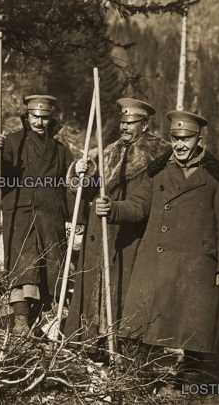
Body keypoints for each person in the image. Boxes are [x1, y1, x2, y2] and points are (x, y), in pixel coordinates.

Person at [95, 110, 219, 375]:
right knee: (146, 326)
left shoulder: (216, 175)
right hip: (157, 262)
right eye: (175, 138)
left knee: (193, 332)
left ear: (199, 139)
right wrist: (113, 208)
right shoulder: (158, 170)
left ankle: (191, 384)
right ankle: (141, 379)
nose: (180, 145)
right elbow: (139, 206)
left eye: (186, 139)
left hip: (197, 267)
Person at [63, 98, 170, 344]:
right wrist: (81, 174)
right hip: (99, 234)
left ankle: (117, 345)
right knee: (91, 287)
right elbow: (89, 189)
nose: (124, 127)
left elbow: (143, 203)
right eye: (122, 121)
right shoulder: (108, 151)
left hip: (128, 236)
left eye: (130, 122)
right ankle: (87, 340)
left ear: (144, 125)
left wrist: (114, 209)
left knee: (122, 291)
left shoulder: (156, 155)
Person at [0, 95, 73, 334]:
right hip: (21, 213)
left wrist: (76, 216)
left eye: (44, 118)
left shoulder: (60, 151)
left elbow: (71, 186)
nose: (39, 122)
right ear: (27, 116)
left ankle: (42, 319)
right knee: (24, 266)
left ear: (51, 119)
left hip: (51, 217)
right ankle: (20, 320)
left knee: (51, 267)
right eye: (35, 116)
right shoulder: (12, 143)